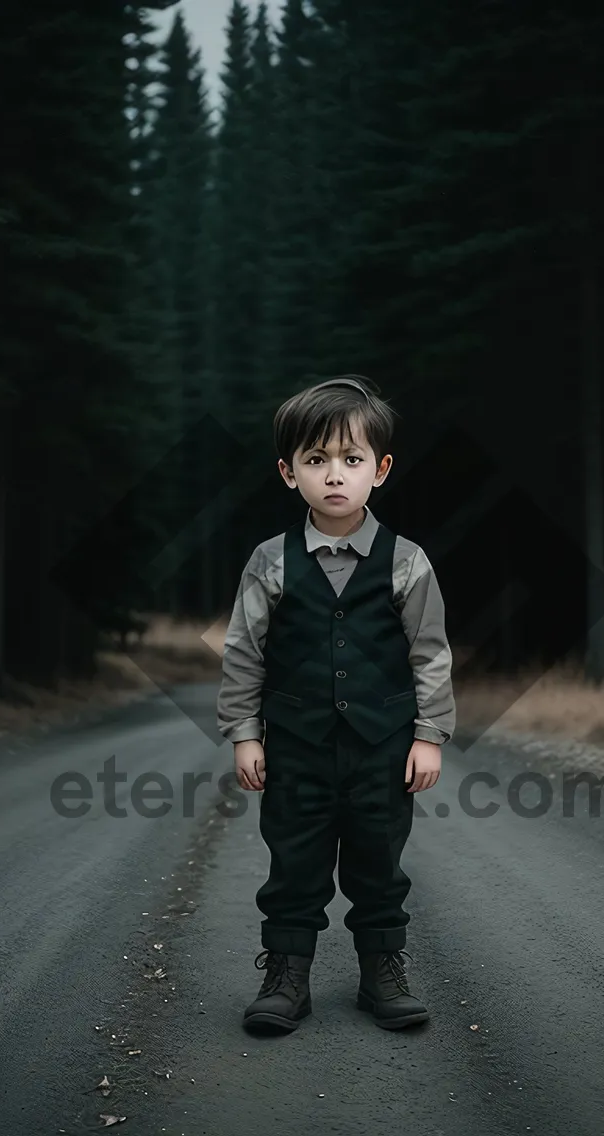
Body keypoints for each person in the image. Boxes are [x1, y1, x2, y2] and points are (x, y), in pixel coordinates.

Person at [217, 375, 455, 1033]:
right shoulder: (271, 562)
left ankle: (383, 971)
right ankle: (287, 977)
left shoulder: (407, 562)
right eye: (316, 460)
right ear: (288, 472)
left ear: (379, 470)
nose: (334, 476)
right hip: (296, 745)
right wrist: (246, 732)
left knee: (379, 859)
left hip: (384, 745)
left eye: (351, 460)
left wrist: (428, 733)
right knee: (296, 861)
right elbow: (244, 651)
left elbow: (429, 653)